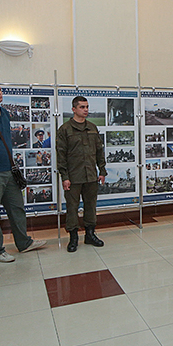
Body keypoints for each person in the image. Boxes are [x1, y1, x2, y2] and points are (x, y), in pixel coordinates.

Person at [0, 79, 46, 263]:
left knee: (17, 208)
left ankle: (24, 243)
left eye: (0, 89)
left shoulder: (5, 113)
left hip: (9, 169)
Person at [56, 96, 107, 252]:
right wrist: (64, 177)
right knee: (72, 207)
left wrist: (102, 170)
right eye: (82, 107)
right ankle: (73, 238)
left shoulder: (92, 128)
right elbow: (61, 155)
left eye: (87, 107)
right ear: (74, 109)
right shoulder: (65, 129)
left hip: (90, 175)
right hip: (73, 176)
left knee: (90, 205)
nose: (85, 110)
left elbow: (99, 151)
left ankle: (90, 234)